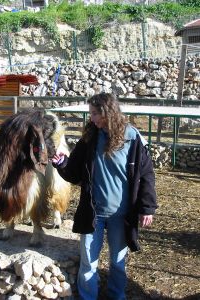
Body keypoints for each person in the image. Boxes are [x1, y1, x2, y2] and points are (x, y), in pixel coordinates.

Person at [52, 93, 157, 300]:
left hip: (122, 214)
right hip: (94, 214)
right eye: (90, 113)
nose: (91, 118)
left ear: (108, 112)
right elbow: (74, 171)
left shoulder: (132, 137)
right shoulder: (89, 138)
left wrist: (147, 207)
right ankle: (88, 297)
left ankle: (117, 296)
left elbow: (146, 175)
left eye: (94, 113)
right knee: (88, 262)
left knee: (117, 262)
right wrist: (62, 164)